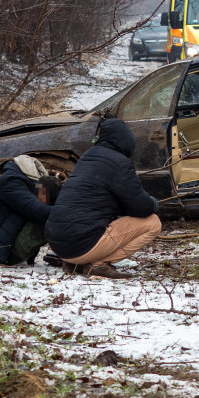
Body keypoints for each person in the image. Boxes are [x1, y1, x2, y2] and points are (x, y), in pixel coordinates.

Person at [45, 118, 162, 279]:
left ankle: (76, 262)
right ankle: (97, 265)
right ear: (127, 139)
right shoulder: (120, 163)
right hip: (79, 246)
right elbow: (141, 207)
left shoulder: (87, 156)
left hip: (58, 245)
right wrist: (154, 203)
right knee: (153, 223)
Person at [0, 155, 58, 266]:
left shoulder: (19, 180)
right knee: (49, 220)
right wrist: (70, 212)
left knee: (49, 199)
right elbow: (38, 211)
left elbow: (41, 201)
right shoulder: (11, 183)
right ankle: (72, 255)